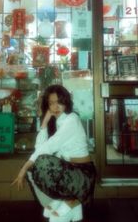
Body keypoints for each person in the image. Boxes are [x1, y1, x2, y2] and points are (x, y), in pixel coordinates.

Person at [12, 84, 96, 222]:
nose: (55, 107)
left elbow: (48, 147)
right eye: (51, 103)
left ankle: (72, 201)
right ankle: (65, 203)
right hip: (70, 172)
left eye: (59, 102)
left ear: (66, 102)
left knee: (41, 163)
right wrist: (45, 122)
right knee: (34, 168)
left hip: (82, 176)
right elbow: (40, 147)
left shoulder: (71, 119)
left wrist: (25, 166)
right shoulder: (59, 122)